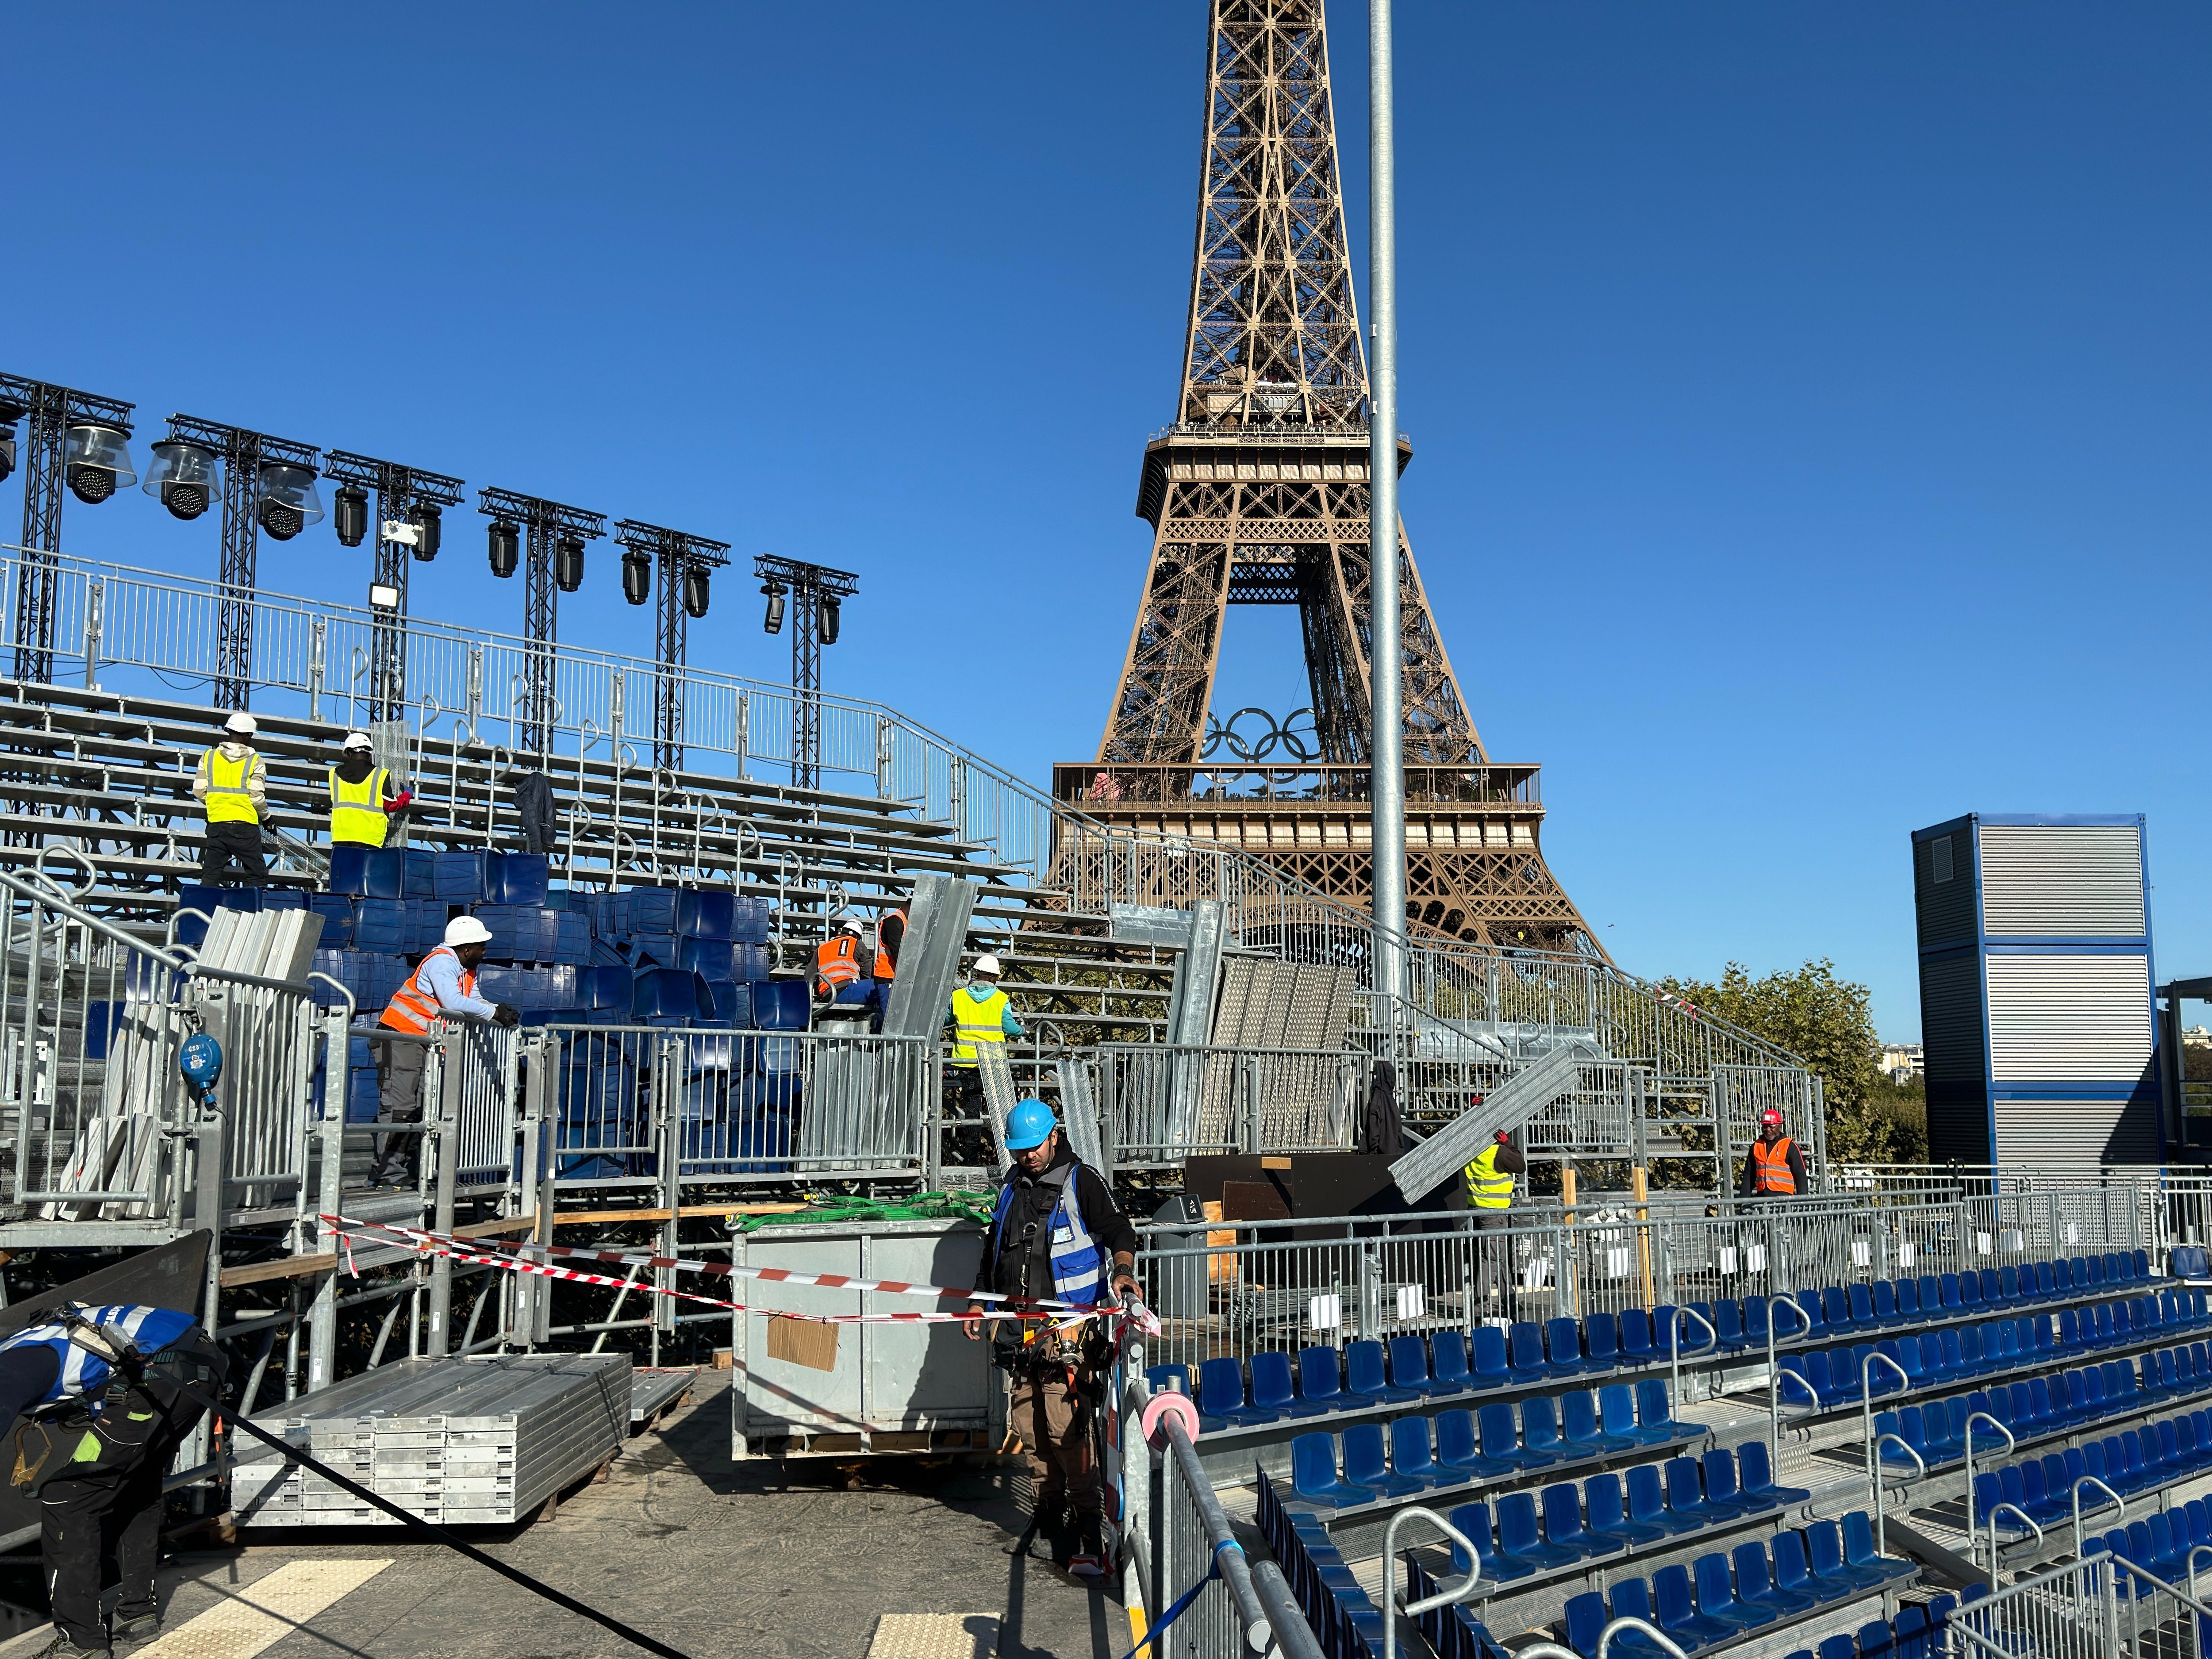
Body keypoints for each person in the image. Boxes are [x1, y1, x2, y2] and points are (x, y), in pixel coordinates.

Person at [966, 1099, 1138, 1578]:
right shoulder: (1010, 1187)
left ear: (1054, 1137)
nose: (1028, 1157)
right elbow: (993, 1250)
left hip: (1067, 1332)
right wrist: (980, 1302)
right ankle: (1048, 1519)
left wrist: (1122, 1272)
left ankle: (1088, 1533)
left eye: (1034, 1148)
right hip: (1019, 1332)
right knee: (1029, 1428)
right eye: (1019, 1150)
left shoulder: (1081, 1182)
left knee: (1067, 1431)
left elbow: (1119, 1230)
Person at [0, 1302, 227, 1658]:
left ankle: (81, 1643)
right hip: (197, 1362)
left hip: (159, 1373)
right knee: (135, 1483)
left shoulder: (11, 1365)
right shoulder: (29, 1343)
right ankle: (136, 1616)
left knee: (67, 1496)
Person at [369, 916, 519, 1187]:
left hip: (423, 1041)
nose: (484, 952)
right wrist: (492, 1012)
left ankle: (409, 1170)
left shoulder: (465, 969)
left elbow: (473, 1002)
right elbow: (452, 1001)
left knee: (423, 1108)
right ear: (466, 948)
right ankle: (386, 1172)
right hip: (399, 1036)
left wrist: (499, 1012)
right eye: (481, 946)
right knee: (400, 1105)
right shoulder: (442, 961)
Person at [943, 954, 1022, 1152]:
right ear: (994, 977)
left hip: (966, 1060)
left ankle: (973, 1151)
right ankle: (1008, 1152)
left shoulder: (958, 997)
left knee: (973, 1106)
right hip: (993, 1061)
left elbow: (944, 1020)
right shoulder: (1000, 999)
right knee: (1002, 1106)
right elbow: (1010, 1028)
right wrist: (1023, 1030)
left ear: (977, 973)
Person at [191, 712, 267, 885]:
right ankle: (254, 911)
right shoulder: (256, 761)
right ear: (248, 735)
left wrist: (217, 805)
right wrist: (267, 817)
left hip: (217, 824)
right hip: (245, 826)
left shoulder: (209, 757)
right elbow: (256, 797)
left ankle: (203, 909)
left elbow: (198, 791)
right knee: (257, 875)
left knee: (211, 874)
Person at [1463, 1123, 1525, 1306]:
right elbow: (1520, 1166)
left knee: (1498, 1256)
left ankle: (1510, 1299)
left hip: (1477, 1210)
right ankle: (1478, 1304)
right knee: (1491, 1259)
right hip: (1495, 1213)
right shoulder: (1498, 1152)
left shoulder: (1469, 1151)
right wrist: (1509, 1144)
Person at [326, 731, 411, 848]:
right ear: (369, 755)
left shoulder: (334, 775)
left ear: (349, 753)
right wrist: (407, 795)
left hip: (341, 836)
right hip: (370, 839)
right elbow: (391, 806)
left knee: (343, 867)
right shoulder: (380, 775)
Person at [1742, 1109, 1806, 1198]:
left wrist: (1802, 1201)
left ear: (1779, 1126)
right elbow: (1749, 1176)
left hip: (1785, 1199)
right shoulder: (1756, 1146)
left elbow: (1800, 1175)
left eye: (1772, 1126)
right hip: (1762, 1198)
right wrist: (1744, 1201)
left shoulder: (1789, 1145)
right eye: (1765, 1126)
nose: (1768, 1129)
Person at [814, 919, 866, 1002]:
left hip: (827, 995)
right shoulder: (856, 943)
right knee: (884, 987)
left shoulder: (822, 948)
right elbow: (867, 972)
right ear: (858, 936)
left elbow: (809, 976)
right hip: (847, 989)